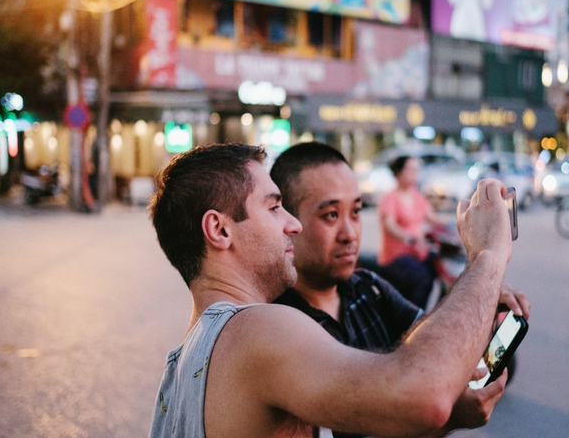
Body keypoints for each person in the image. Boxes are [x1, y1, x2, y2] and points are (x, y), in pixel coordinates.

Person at [148, 143, 514, 438]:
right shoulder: (255, 331)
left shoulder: (186, 360)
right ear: (220, 230)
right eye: (274, 208)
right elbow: (424, 395)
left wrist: (445, 419)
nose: (292, 225)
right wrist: (488, 255)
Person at [270, 142, 530, 437]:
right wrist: (487, 258)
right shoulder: (280, 325)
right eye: (330, 215)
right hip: (399, 256)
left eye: (355, 212)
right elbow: (421, 399)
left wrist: (480, 300)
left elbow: (436, 354)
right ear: (288, 223)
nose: (350, 233)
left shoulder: (367, 288)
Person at [377, 155, 447, 308]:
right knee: (423, 278)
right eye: (411, 169)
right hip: (397, 255)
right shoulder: (390, 197)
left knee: (442, 268)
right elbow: (390, 226)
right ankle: (412, 319)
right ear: (399, 172)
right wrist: (410, 236)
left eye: (417, 169)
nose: (415, 173)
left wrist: (457, 221)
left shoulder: (416, 195)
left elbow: (431, 217)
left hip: (418, 252)